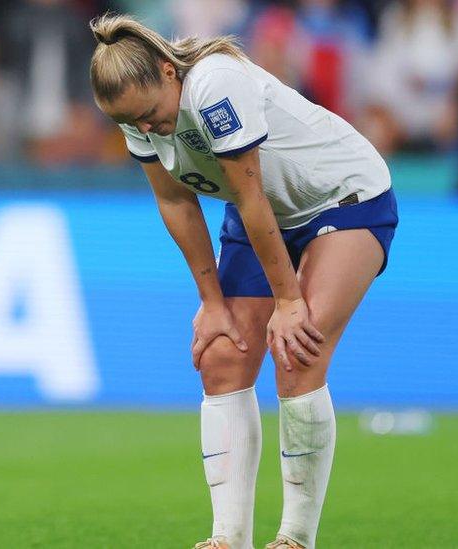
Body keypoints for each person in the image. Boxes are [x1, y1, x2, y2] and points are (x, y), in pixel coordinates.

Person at [89, 14, 398, 549]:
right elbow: (175, 200)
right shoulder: (136, 109)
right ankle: (227, 538)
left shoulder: (214, 85)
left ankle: (295, 538)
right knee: (222, 355)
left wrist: (287, 299)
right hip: (263, 212)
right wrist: (211, 302)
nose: (147, 129)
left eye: (151, 116)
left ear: (169, 71)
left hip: (342, 198)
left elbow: (251, 196)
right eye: (131, 124)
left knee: (297, 350)